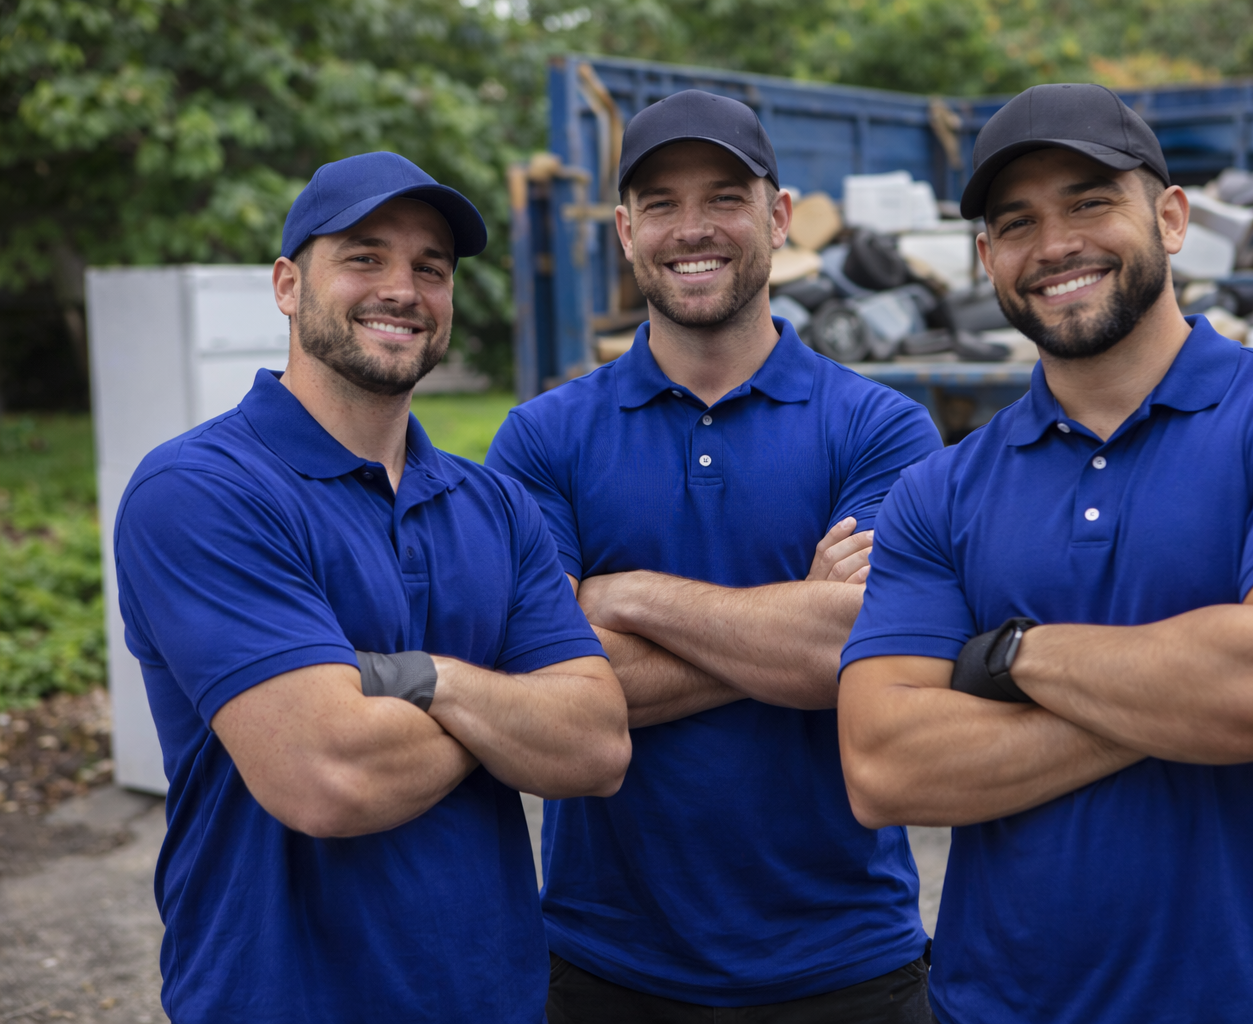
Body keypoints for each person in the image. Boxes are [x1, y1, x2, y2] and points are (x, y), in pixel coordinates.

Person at [837, 84, 1253, 1024]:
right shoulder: (940, 490)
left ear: (1172, 216)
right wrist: (1194, 695)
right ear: (988, 259)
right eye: (1017, 222)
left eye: (1090, 201)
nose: (1056, 244)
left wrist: (1009, 657)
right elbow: (884, 767)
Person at [113, 151, 631, 1024]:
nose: (402, 288)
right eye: (363, 256)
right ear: (287, 284)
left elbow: (598, 746)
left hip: (493, 996)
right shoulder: (201, 491)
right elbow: (330, 777)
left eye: (431, 268)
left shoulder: (493, 503)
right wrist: (512, 718)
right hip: (279, 998)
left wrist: (427, 678)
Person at [486, 90, 943, 1021]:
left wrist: (624, 596)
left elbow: (858, 650)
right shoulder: (543, 440)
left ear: (778, 217)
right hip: (607, 961)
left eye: (724, 197)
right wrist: (792, 630)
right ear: (624, 230)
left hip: (847, 958)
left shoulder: (882, 429)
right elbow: (539, 685)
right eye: (660, 203)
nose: (692, 228)